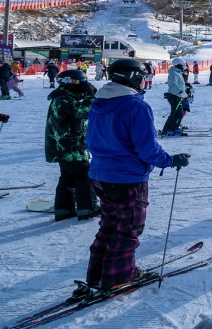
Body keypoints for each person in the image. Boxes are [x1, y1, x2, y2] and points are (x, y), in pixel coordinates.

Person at [83, 59, 190, 291]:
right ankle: (118, 277)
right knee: (128, 228)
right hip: (126, 178)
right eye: (142, 76)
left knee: (109, 225)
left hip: (100, 173)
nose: (144, 81)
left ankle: (97, 275)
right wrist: (170, 160)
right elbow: (146, 148)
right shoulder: (135, 106)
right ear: (133, 77)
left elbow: (89, 139)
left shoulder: (99, 102)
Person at [45, 69, 100, 221]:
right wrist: (90, 98)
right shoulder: (63, 100)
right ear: (72, 84)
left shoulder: (64, 98)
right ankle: (88, 208)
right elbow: (83, 112)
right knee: (83, 175)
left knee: (67, 177)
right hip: (71, 148)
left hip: (66, 147)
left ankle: (63, 209)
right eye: (83, 84)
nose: (85, 88)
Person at [159, 59, 189, 136]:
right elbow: (173, 85)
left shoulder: (177, 73)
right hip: (174, 95)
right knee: (179, 113)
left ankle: (167, 129)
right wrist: (180, 92)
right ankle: (173, 130)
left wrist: (184, 90)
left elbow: (179, 85)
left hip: (176, 95)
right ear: (179, 65)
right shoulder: (174, 73)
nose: (184, 67)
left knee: (175, 113)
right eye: (183, 65)